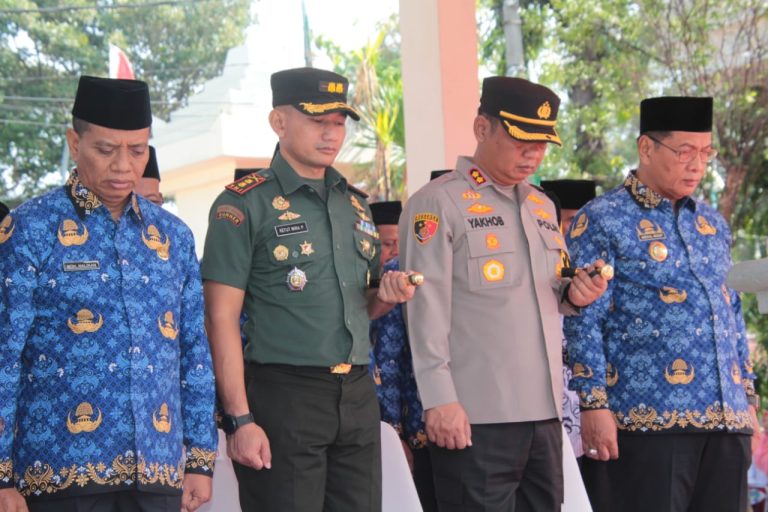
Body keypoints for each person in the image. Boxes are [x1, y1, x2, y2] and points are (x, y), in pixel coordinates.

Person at [200, 67, 415, 512]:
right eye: (318, 120)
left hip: (356, 393)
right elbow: (219, 317)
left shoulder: (355, 203)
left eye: (338, 122)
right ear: (279, 122)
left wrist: (385, 296)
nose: (331, 134)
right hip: (285, 394)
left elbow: (364, 305)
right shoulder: (243, 204)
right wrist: (240, 419)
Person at [0, 76, 217, 512]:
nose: (123, 166)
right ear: (74, 142)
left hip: (156, 473)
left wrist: (199, 460)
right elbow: (5, 352)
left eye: (138, 151)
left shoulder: (172, 236)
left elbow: (194, 351)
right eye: (105, 149)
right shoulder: (31, 230)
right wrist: (1, 474)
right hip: (59, 474)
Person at [400, 76, 608, 511]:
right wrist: (440, 400)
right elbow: (425, 310)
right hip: (477, 416)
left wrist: (577, 293)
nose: (533, 153)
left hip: (545, 414)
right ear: (482, 128)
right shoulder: (437, 203)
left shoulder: (541, 205)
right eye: (520, 139)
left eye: (542, 143)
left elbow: (549, 293)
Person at [563, 96, 758, 512]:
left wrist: (750, 400)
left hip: (727, 423)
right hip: (645, 424)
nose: (698, 164)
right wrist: (593, 404)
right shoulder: (602, 218)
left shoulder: (712, 224)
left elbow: (732, 312)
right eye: (685, 151)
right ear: (646, 148)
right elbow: (582, 318)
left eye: (706, 152)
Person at [368, 201, 437, 512]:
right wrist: (395, 435)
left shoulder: (427, 272)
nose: (394, 251)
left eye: (399, 243)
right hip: (415, 429)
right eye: (387, 244)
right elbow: (387, 362)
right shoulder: (392, 282)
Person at [540, 179, 598, 461]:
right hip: (548, 406)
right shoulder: (542, 268)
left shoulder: (601, 271)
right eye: (565, 222)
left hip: (593, 405)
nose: (572, 232)